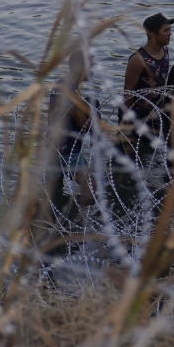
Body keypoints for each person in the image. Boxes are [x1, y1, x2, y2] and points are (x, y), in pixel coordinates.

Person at [46, 49, 99, 225]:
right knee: (91, 191)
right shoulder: (72, 94)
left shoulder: (60, 85)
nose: (93, 69)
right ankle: (77, 223)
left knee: (52, 195)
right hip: (69, 152)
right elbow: (84, 126)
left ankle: (55, 224)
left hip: (54, 149)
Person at [122, 12, 174, 162]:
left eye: (170, 30)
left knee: (148, 158)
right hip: (136, 116)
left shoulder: (165, 51)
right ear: (151, 33)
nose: (170, 34)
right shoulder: (138, 60)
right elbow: (128, 92)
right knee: (128, 158)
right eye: (166, 30)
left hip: (155, 114)